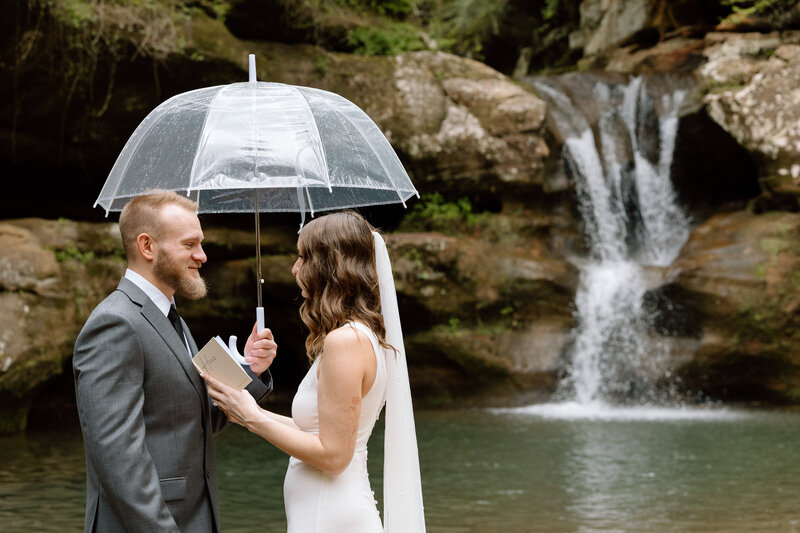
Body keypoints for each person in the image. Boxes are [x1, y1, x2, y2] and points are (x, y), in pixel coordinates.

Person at [203, 211, 425, 533]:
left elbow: (334, 456)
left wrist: (254, 418)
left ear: (330, 265)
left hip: (330, 515)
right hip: (324, 511)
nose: (294, 268)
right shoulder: (357, 335)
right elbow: (317, 429)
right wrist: (244, 410)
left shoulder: (346, 341)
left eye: (303, 257)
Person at [73, 190, 277, 533]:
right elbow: (118, 459)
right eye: (189, 244)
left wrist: (250, 371)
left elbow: (195, 420)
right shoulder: (116, 323)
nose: (202, 255)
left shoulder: (170, 316)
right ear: (147, 246)